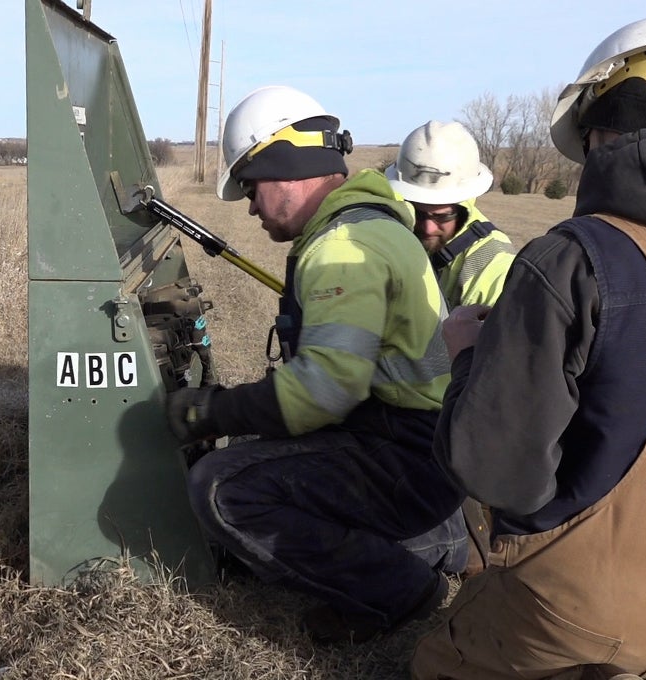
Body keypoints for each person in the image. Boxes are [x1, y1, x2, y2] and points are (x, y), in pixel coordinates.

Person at [412, 16, 646, 680]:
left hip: (588, 626)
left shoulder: (572, 261)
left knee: (433, 663)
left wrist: (468, 359)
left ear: (604, 132)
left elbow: (497, 474)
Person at [164, 84, 470, 644]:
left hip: (405, 454)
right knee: (259, 450)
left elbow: (325, 390)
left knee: (222, 487)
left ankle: (395, 589)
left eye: (251, 188)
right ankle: (439, 540)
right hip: (431, 450)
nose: (251, 206)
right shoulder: (377, 223)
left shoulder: (342, 249)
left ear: (282, 164)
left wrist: (209, 413)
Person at [385, 120, 515, 308]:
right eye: (418, 213)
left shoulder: (491, 261)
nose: (428, 228)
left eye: (443, 216)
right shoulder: (392, 235)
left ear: (464, 203)